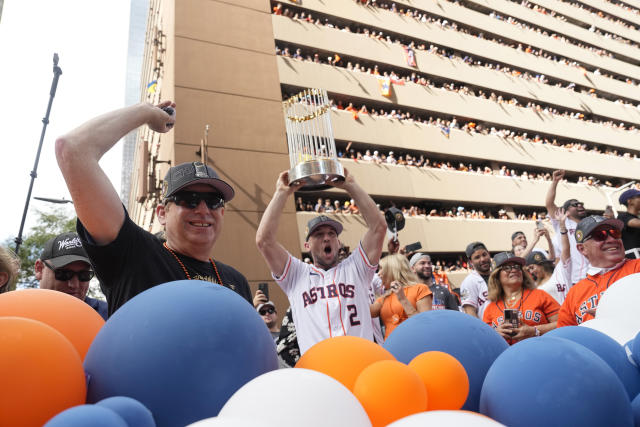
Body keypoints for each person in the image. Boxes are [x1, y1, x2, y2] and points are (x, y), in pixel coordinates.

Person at [55, 102, 251, 316]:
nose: (203, 209)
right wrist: (145, 112)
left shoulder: (236, 281)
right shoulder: (132, 254)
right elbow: (73, 149)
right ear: (162, 213)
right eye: (189, 199)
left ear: (222, 213)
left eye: (214, 201)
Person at [255, 169, 386, 355]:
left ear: (338, 242)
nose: (326, 238)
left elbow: (379, 227)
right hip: (319, 371)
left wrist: (350, 185)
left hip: (359, 363)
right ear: (307, 245)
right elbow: (264, 241)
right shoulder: (296, 274)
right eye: (319, 234)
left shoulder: (356, 268)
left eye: (332, 234)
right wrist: (281, 193)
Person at [558, 215, 640, 326]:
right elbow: (567, 338)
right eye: (600, 235)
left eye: (615, 233)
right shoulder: (574, 293)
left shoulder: (637, 267)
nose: (612, 239)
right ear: (582, 249)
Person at [483, 252, 560, 345]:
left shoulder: (540, 295)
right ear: (496, 275)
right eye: (507, 268)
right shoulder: (490, 308)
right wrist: (495, 334)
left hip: (540, 351)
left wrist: (534, 331)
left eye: (517, 267)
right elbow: (485, 340)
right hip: (508, 356)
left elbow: (563, 323)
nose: (514, 270)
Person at [34, 232, 108, 320]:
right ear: (39, 269)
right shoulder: (19, 311)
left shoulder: (108, 317)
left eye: (84, 275)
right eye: (64, 274)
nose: (74, 285)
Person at [370, 254, 432, 339]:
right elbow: (364, 311)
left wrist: (402, 299)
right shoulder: (383, 298)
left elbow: (425, 325)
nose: (378, 274)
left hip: (416, 346)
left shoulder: (420, 289)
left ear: (392, 270)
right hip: (390, 349)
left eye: (381, 268)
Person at [545, 169, 589, 283]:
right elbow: (549, 203)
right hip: (574, 278)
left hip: (593, 273)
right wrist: (555, 181)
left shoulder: (588, 224)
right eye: (575, 204)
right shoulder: (563, 221)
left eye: (581, 204)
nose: (580, 205)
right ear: (566, 211)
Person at [525, 209, 572, 304]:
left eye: (532, 267)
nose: (531, 271)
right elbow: (518, 262)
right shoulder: (534, 286)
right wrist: (535, 240)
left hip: (570, 315)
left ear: (542, 265)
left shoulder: (560, 272)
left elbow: (566, 249)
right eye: (529, 269)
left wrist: (562, 228)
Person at [460, 241, 492, 319]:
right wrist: (484, 330)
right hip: (486, 328)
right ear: (471, 262)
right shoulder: (469, 281)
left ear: (489, 254)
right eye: (477, 257)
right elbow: (470, 312)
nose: (483, 259)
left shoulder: (498, 275)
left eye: (484, 255)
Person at [618, 188, 640, 259]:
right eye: (639, 197)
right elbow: (635, 223)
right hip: (634, 259)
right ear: (629, 201)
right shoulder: (622, 216)